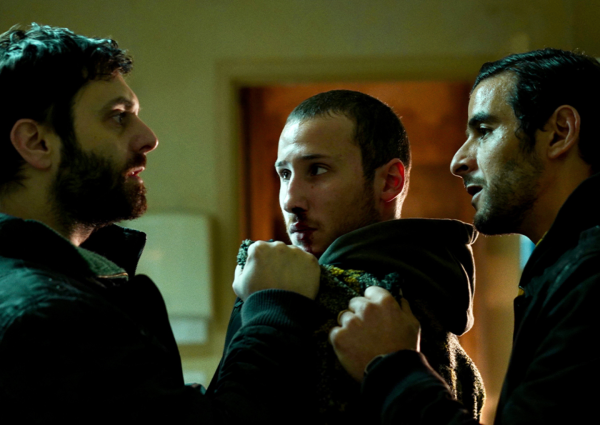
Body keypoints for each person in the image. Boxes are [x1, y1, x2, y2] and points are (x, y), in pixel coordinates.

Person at [0, 23, 322, 424]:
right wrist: (274, 306)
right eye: (118, 117)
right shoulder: (46, 318)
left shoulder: (74, 286)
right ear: (37, 142)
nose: (149, 138)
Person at [329, 48, 600, 424]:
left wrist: (392, 365)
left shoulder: (590, 276)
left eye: (484, 131)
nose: (458, 161)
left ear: (559, 132)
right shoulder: (563, 268)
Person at [209, 90, 485, 424]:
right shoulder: (440, 314)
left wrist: (263, 307)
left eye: (317, 170)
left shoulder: (315, 309)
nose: (290, 200)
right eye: (285, 174)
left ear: (389, 182)